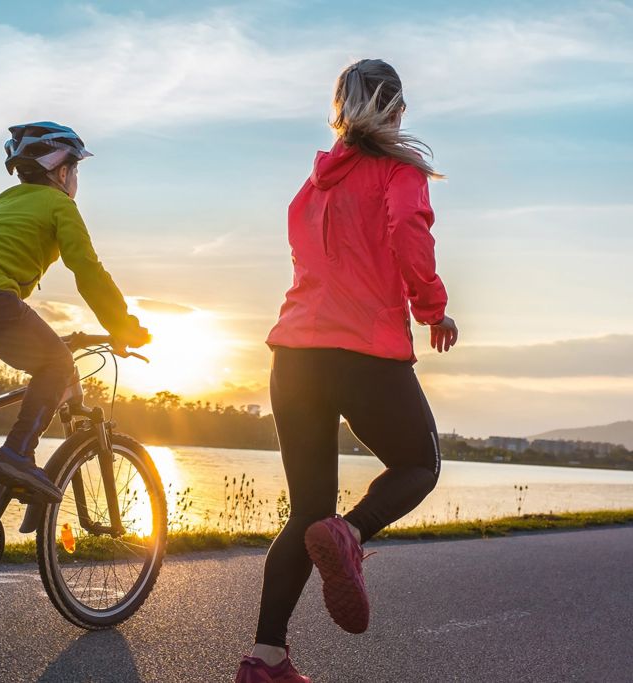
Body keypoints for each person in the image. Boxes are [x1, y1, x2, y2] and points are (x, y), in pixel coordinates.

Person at [235, 60, 459, 683]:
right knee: (420, 463)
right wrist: (432, 310)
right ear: (394, 110)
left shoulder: (311, 186)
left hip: (294, 357)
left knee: (305, 512)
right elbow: (409, 228)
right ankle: (353, 534)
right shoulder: (400, 170)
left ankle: (265, 660)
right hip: (363, 353)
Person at [0, 122, 150, 504]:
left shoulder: (3, 200)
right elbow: (88, 272)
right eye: (75, 170)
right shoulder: (61, 204)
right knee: (57, 363)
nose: (75, 179)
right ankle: (17, 454)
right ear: (62, 171)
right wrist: (122, 326)